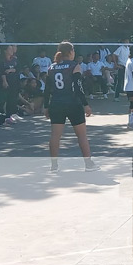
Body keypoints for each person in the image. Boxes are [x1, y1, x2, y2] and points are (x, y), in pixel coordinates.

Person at [44, 41, 99, 172]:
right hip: (73, 103)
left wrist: (46, 106)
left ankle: (54, 165)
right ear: (70, 52)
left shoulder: (51, 68)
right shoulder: (75, 66)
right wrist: (85, 104)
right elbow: (78, 87)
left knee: (55, 136)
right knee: (81, 135)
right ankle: (88, 164)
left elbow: (47, 89)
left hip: (56, 104)